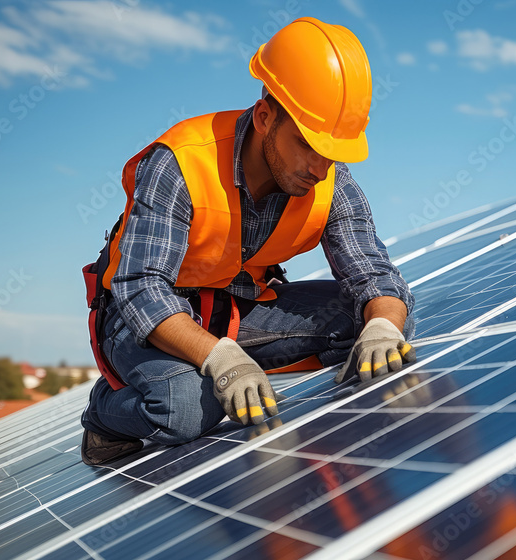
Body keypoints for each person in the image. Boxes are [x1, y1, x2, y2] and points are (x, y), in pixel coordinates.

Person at [79, 17, 415, 466]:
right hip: (139, 317)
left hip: (231, 312)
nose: (319, 168)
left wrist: (383, 325)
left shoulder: (330, 179)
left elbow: (375, 277)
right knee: (185, 408)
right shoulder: (180, 163)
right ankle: (104, 414)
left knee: (381, 326)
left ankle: (223, 367)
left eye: (331, 153)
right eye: (306, 144)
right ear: (264, 117)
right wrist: (219, 358)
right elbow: (140, 287)